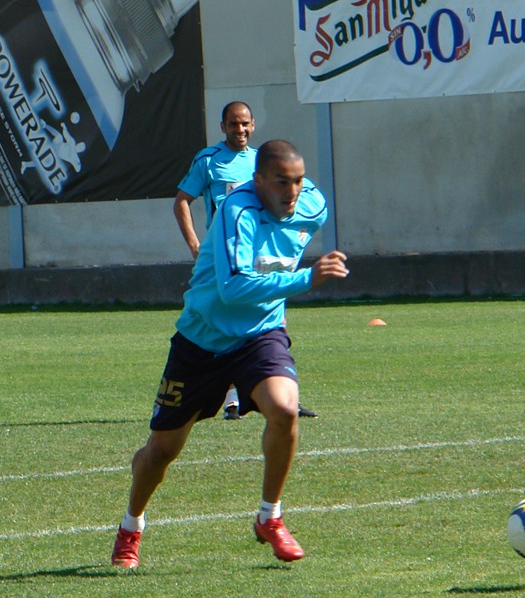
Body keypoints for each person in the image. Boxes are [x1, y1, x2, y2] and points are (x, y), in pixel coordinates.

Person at [111, 140, 349, 567]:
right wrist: (305, 279)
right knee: (161, 452)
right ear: (257, 181)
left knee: (284, 409)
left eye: (297, 181)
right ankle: (131, 525)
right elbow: (233, 289)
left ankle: (269, 517)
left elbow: (280, 252)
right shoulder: (235, 213)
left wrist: (291, 279)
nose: (292, 191)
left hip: (259, 335)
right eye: (281, 182)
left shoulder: (313, 206)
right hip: (201, 341)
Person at [173, 101, 318, 420]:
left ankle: (282, 395)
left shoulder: (263, 163)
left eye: (245, 124)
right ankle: (229, 398)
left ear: (253, 126)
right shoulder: (209, 161)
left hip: (263, 256)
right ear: (222, 127)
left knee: (273, 320)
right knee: (223, 319)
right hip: (225, 259)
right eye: (233, 124)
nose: (240, 130)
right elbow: (182, 200)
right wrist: (195, 242)